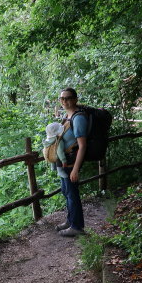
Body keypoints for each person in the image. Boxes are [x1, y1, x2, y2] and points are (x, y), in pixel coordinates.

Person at [55, 87, 88, 237]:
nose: (64, 101)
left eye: (67, 98)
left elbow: (82, 146)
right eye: (62, 98)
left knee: (72, 193)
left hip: (71, 163)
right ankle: (71, 220)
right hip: (64, 163)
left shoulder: (78, 118)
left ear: (75, 99)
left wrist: (75, 169)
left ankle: (77, 226)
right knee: (66, 192)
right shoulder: (67, 117)